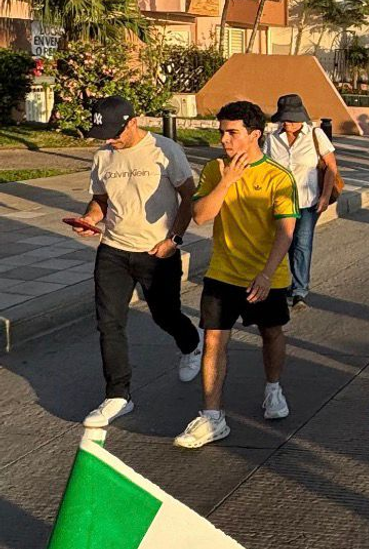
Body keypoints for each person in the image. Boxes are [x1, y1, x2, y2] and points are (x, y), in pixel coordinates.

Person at [74, 96, 202, 429]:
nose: (110, 139)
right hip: (113, 250)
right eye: (105, 134)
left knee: (165, 314)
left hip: (157, 252)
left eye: (115, 132)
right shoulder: (103, 156)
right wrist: (89, 218)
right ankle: (118, 395)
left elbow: (188, 196)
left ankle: (191, 342)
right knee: (108, 322)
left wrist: (173, 240)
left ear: (133, 122)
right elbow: (100, 200)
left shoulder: (165, 150)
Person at [177, 101, 298, 448]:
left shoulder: (278, 176)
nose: (225, 140)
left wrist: (266, 273)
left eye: (232, 133)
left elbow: (285, 232)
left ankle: (273, 388)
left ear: (254, 135)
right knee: (213, 340)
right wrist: (228, 179)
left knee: (271, 332)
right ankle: (212, 417)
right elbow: (200, 215)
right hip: (223, 271)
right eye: (222, 133)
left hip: (265, 275)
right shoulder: (216, 170)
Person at [263, 94, 339, 309]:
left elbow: (331, 167)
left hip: (308, 201)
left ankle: (299, 290)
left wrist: (324, 197)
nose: (289, 123)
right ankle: (284, 282)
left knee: (302, 243)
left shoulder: (315, 135)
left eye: (293, 119)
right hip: (280, 201)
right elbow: (266, 169)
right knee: (282, 242)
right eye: (285, 119)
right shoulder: (272, 138)